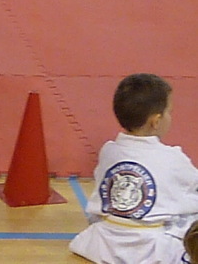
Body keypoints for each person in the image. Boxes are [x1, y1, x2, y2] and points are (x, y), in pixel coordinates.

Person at [69, 73, 198, 264]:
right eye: (169, 112)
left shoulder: (108, 150)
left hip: (102, 242)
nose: (170, 117)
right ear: (156, 121)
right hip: (151, 249)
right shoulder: (173, 157)